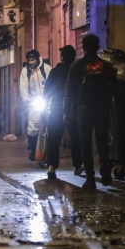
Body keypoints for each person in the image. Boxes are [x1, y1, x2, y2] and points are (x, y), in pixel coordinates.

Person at [63, 34, 118, 189]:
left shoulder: (77, 65)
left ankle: (90, 179)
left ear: (83, 47)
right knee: (102, 141)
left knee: (85, 144)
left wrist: (66, 111)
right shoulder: (106, 66)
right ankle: (105, 168)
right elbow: (115, 86)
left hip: (83, 109)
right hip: (102, 108)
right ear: (98, 47)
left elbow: (69, 90)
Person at [42, 45, 83, 179]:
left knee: (54, 138)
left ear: (62, 57)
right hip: (73, 108)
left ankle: (52, 166)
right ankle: (78, 165)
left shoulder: (55, 72)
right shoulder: (78, 71)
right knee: (76, 138)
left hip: (56, 108)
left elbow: (47, 91)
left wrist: (44, 110)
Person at [19, 49, 53, 161]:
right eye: (29, 60)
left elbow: (53, 84)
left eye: (33, 59)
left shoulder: (47, 69)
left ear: (38, 59)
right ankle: (34, 149)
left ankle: (50, 151)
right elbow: (23, 87)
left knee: (51, 126)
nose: (31, 62)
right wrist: (26, 100)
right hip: (34, 103)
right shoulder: (25, 71)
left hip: (47, 102)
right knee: (32, 128)